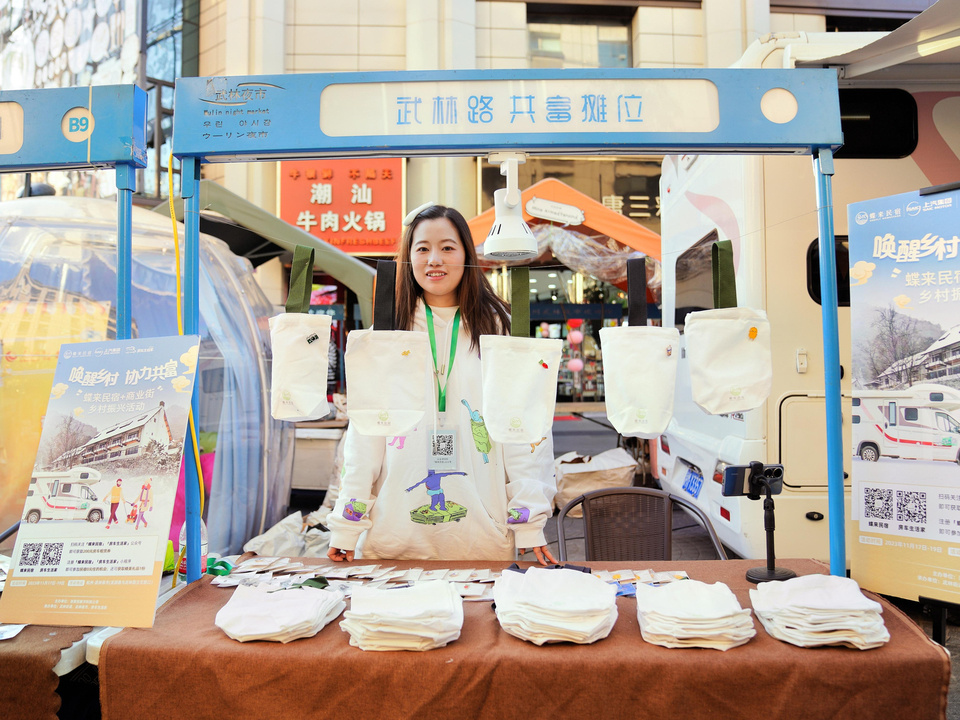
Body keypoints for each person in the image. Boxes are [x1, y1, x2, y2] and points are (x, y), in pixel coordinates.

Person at [327, 203, 558, 565]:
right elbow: (366, 437)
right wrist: (347, 523)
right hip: (394, 532)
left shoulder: (500, 330)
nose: (434, 259)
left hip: (483, 533)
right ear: (408, 257)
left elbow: (523, 433)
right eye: (422, 248)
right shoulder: (387, 333)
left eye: (448, 247)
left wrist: (529, 519)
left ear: (467, 253)